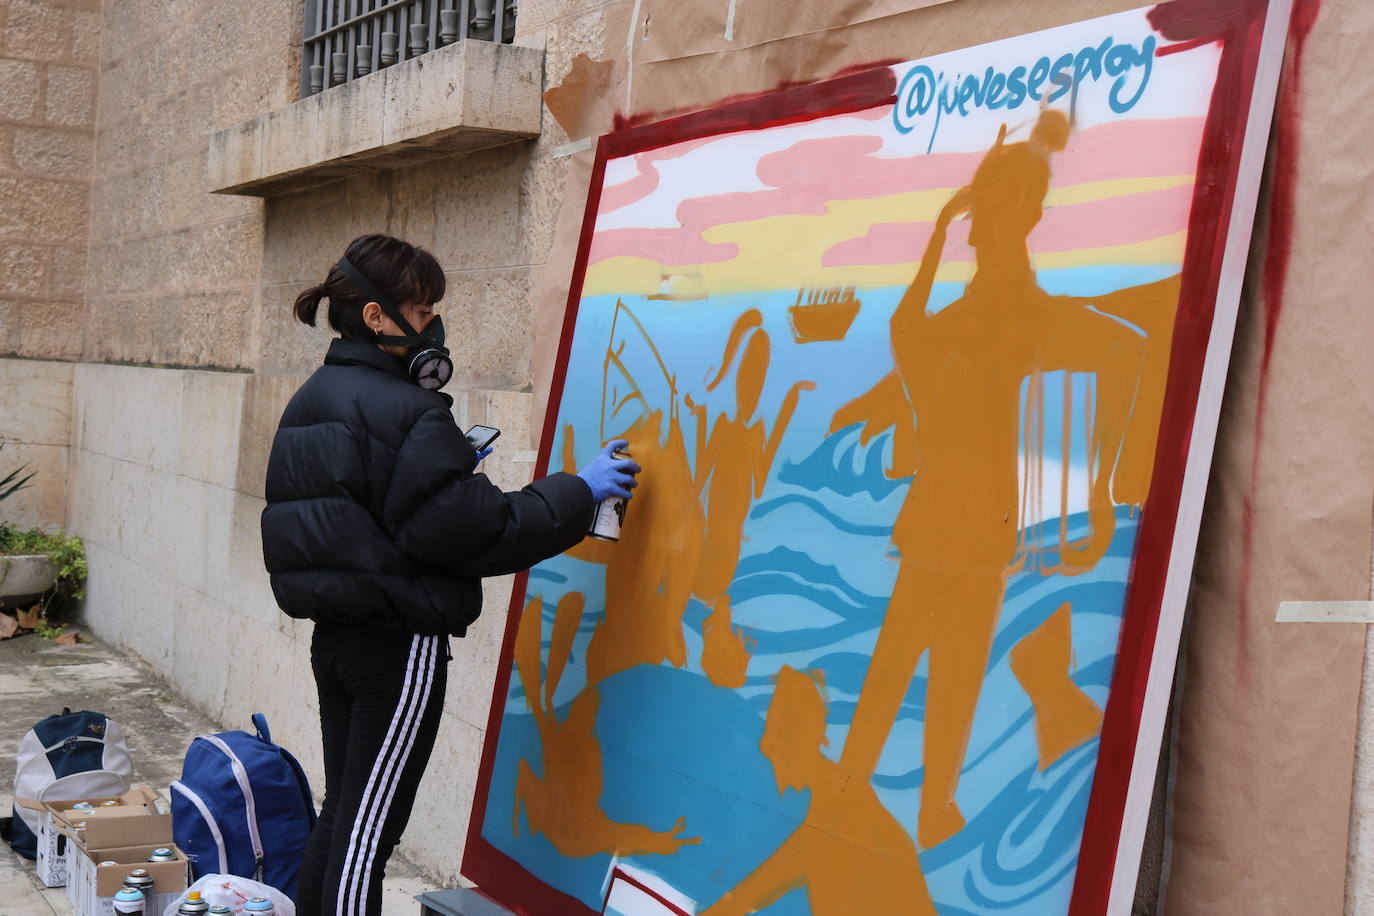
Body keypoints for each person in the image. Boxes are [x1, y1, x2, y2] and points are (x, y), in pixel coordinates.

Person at [261, 233, 640, 916]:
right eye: (420, 306)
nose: (432, 322)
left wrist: (441, 470)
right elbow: (482, 532)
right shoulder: (407, 411)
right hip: (398, 647)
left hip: (337, 640)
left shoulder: (315, 396)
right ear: (376, 317)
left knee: (343, 818)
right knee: (367, 834)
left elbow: (358, 516)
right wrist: (578, 492)